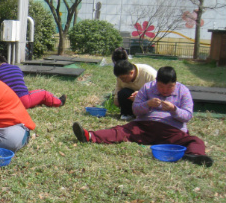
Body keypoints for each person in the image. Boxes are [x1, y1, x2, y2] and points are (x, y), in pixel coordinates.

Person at [72, 66, 213, 167]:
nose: (164, 91)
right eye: (161, 87)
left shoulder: (183, 91)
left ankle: (194, 156)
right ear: (156, 82)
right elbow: (136, 110)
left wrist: (174, 109)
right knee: (120, 130)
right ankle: (89, 136)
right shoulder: (147, 88)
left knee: (195, 141)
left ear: (175, 84)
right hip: (144, 125)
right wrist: (147, 104)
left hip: (171, 130)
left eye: (169, 87)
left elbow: (187, 116)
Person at [0, 56, 65, 108]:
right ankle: (59, 102)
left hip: (8, 103)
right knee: (43, 93)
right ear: (6, 62)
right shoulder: (16, 68)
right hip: (24, 100)